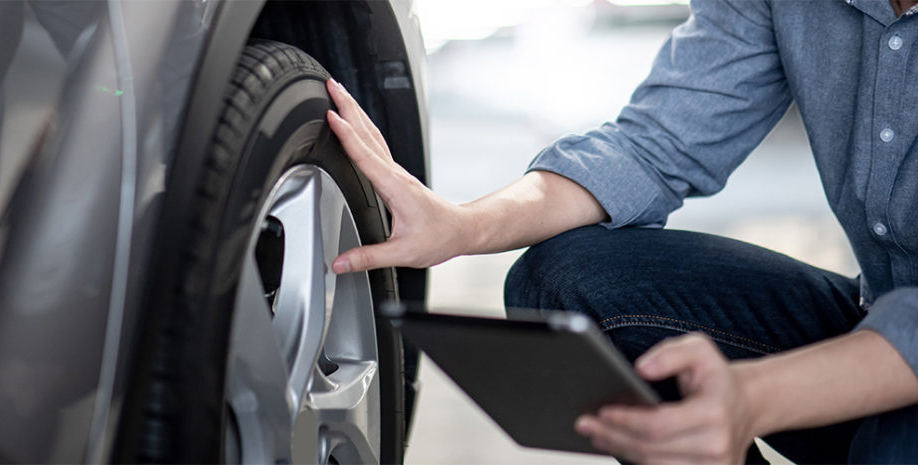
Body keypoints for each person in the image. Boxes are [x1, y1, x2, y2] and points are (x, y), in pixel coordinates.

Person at [323, 0, 918, 463]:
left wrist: (754, 397)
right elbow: (654, 147)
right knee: (564, 281)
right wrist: (460, 225)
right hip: (874, 315)